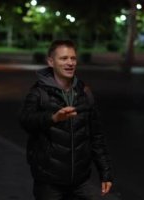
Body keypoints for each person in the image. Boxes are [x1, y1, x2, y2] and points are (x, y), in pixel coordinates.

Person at [19, 39, 113, 200]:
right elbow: (26, 120)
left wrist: (105, 173)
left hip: (80, 181)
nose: (70, 63)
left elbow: (96, 136)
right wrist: (52, 118)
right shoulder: (39, 93)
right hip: (49, 181)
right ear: (51, 61)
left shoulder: (84, 92)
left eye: (73, 58)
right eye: (63, 58)